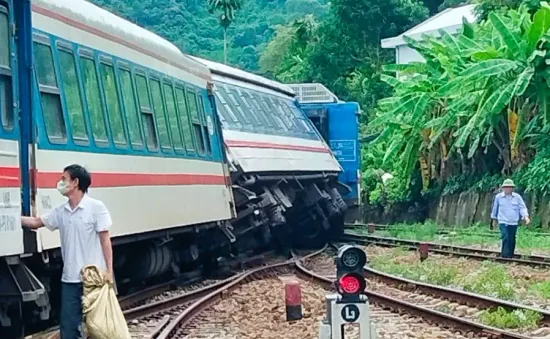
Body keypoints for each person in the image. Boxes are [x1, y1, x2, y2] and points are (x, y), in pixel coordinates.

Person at [21, 164, 114, 339]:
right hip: (70, 279)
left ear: (75, 182)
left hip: (93, 279)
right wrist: (9, 217)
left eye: (64, 179)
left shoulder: (96, 208)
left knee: (99, 328)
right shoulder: (62, 211)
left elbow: (105, 240)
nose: (60, 182)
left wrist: (109, 271)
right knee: (69, 329)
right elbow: (35, 223)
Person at [490, 179, 530, 258]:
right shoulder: (499, 197)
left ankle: (510, 255)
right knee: (505, 237)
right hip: (503, 221)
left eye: (509, 187)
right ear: (503, 188)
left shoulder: (517, 197)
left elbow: (522, 208)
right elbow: (495, 209)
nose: (508, 189)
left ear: (512, 188)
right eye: (506, 187)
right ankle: (505, 256)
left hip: (513, 222)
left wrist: (526, 217)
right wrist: (494, 220)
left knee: (512, 239)